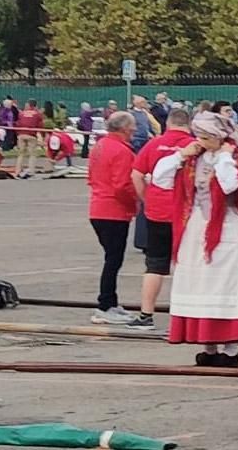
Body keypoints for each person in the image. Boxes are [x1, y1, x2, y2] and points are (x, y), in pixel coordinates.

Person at [155, 111, 238, 367]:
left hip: (225, 226)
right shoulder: (193, 158)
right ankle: (208, 345)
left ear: (219, 138)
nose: (201, 141)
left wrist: (224, 155)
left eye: (206, 137)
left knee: (223, 284)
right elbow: (160, 177)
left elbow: (229, 185)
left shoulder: (234, 156)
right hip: (195, 225)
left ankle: (230, 349)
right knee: (199, 283)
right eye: (199, 136)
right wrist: (181, 154)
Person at [129, 108, 194, 329]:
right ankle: (189, 316)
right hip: (186, 213)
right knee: (187, 264)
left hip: (157, 211)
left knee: (155, 265)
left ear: (168, 124)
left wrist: (146, 198)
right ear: (188, 124)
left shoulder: (154, 144)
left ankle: (146, 315)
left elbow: (136, 174)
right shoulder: (195, 145)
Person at [88, 112, 141, 326]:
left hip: (98, 208)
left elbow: (91, 176)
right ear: (125, 128)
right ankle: (105, 304)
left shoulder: (100, 146)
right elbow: (122, 185)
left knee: (112, 258)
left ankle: (110, 301)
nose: (135, 130)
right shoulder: (122, 151)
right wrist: (136, 203)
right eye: (133, 126)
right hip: (114, 211)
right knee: (113, 260)